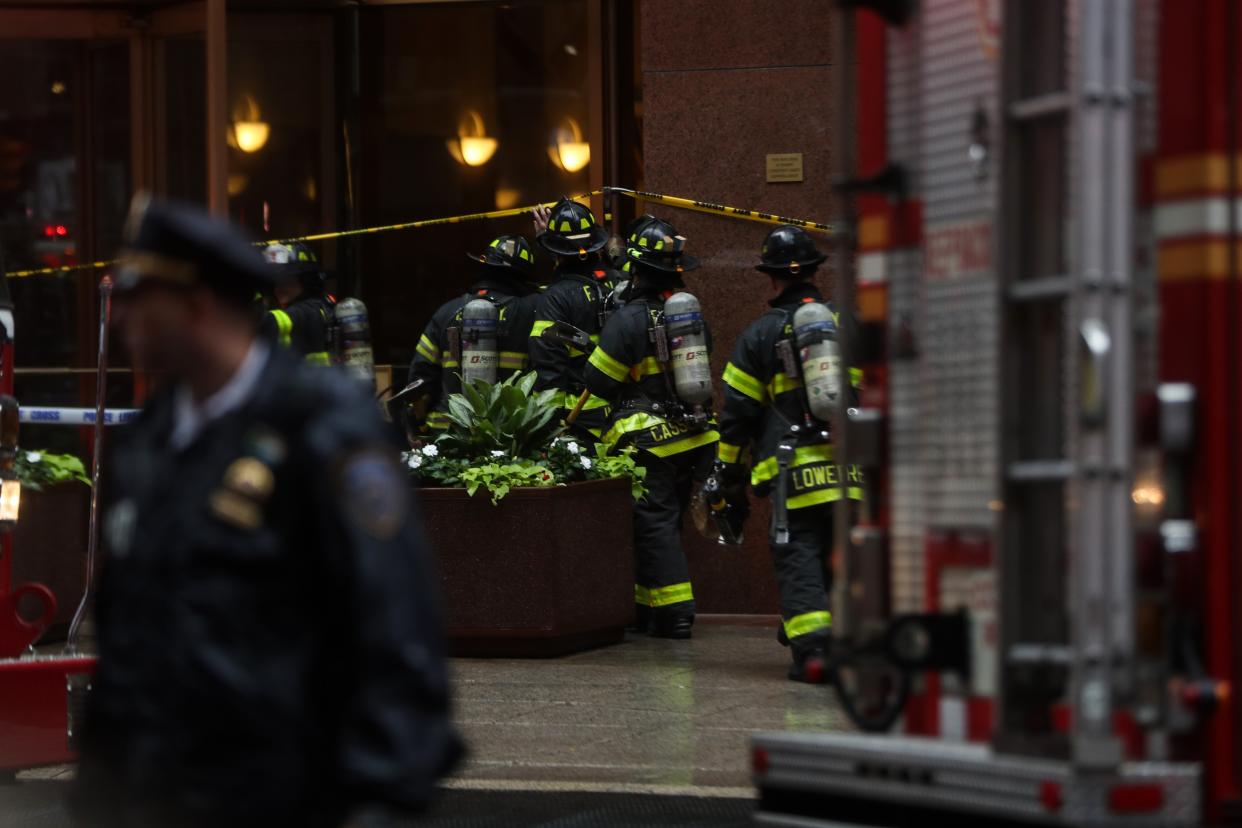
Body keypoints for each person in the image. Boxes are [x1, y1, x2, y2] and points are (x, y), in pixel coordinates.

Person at [73, 195, 462, 828]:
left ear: (195, 307)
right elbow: (129, 635)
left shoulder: (324, 430)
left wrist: (379, 805)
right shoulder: (151, 438)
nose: (121, 324)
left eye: (138, 304)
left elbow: (396, 636)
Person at [715, 224, 865, 682]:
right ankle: (851, 646)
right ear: (815, 273)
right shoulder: (845, 324)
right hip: (850, 470)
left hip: (793, 474)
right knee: (845, 560)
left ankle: (814, 654)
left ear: (771, 277)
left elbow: (737, 415)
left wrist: (727, 473)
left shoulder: (758, 335)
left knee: (799, 559)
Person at [582, 218, 718, 639]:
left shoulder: (628, 319)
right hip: (696, 435)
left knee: (654, 520)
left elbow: (599, 382)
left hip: (649, 438)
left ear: (636, 271)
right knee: (666, 519)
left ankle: (677, 612)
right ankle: (648, 607)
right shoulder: (690, 317)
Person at [407, 234, 539, 433]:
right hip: (506, 436)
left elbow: (418, 380)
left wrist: (418, 426)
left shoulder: (447, 312)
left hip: (446, 435)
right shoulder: (532, 311)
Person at [528, 198, 618, 438]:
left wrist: (550, 428)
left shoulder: (555, 298)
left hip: (581, 421)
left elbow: (549, 367)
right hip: (625, 415)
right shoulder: (624, 284)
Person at [260, 240, 337, 365]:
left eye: (286, 279)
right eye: (274, 281)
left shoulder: (311, 310)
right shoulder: (320, 306)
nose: (278, 287)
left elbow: (273, 323)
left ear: (306, 280)